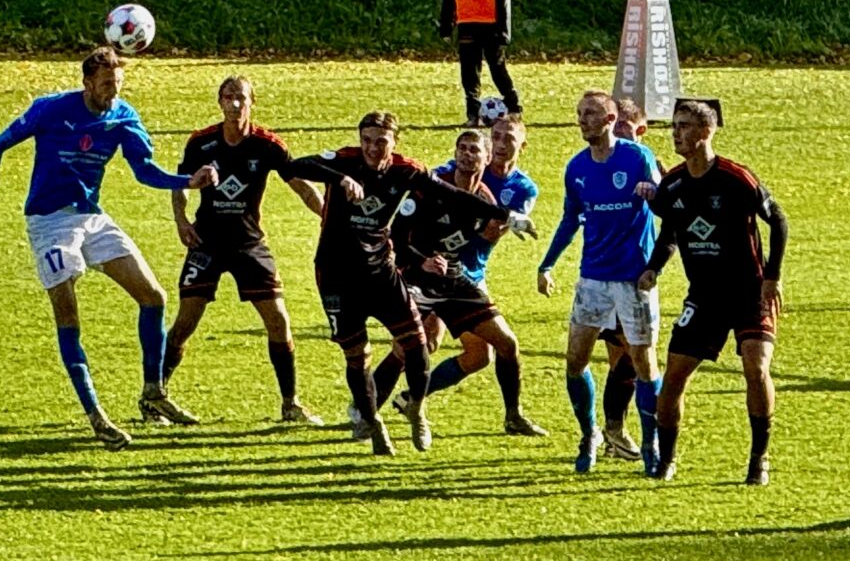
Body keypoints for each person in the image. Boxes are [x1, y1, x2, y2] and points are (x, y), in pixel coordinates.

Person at [0, 48, 218, 450]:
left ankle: (153, 392)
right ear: (87, 83)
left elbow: (144, 171)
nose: (113, 92)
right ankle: (96, 417)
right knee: (69, 315)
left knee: (153, 297)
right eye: (106, 84)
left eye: (118, 84)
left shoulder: (123, 117)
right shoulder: (50, 109)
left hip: (92, 218)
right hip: (49, 223)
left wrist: (187, 182)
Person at [279, 113, 509, 455]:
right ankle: (372, 423)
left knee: (417, 343)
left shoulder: (406, 170)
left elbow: (450, 193)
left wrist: (504, 214)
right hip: (337, 275)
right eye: (367, 140)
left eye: (381, 141)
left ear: (394, 143)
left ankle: (417, 409)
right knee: (358, 356)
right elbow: (294, 166)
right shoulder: (346, 160)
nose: (373, 148)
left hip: (381, 272)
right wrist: (340, 178)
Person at [159, 75, 329, 424]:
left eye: (241, 97)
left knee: (279, 320)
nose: (235, 104)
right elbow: (181, 184)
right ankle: (155, 396)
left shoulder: (268, 145)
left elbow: (302, 187)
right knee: (185, 323)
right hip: (206, 243)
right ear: (219, 102)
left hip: (249, 244)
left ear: (252, 102)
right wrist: (181, 220)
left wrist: (329, 219)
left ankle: (291, 404)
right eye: (228, 97)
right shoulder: (201, 142)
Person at [636, 102, 787, 486]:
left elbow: (778, 220)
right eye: (674, 126)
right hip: (704, 297)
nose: (676, 133)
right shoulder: (673, 184)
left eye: (684, 126)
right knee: (674, 378)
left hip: (750, 292)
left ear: (706, 132)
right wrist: (654, 267)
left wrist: (772, 277)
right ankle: (667, 460)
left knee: (756, 368)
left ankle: (759, 458)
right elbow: (670, 233)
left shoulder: (736, 178)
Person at [369, 127, 544, 436]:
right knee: (409, 347)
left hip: (455, 279)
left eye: (474, 150)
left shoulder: (484, 199)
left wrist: (508, 224)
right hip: (417, 278)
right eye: (462, 148)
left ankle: (513, 417)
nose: (466, 154)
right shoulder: (432, 188)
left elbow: (487, 231)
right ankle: (366, 412)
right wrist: (422, 260)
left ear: (487, 159)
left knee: (505, 344)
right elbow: (394, 237)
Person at [538, 90, 664, 475]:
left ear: (610, 119)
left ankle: (651, 442)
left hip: (633, 280)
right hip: (593, 278)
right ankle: (589, 434)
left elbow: (667, 202)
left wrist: (653, 193)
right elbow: (570, 219)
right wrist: (547, 264)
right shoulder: (576, 167)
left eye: (590, 113)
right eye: (579, 113)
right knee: (575, 361)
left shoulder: (638, 157)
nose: (582, 120)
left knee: (643, 362)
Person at [438, 0, 519, 128]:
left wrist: (504, 30)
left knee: (497, 67)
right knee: (469, 72)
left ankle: (514, 107)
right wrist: (446, 25)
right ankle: (472, 114)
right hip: (467, 24)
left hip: (491, 25)